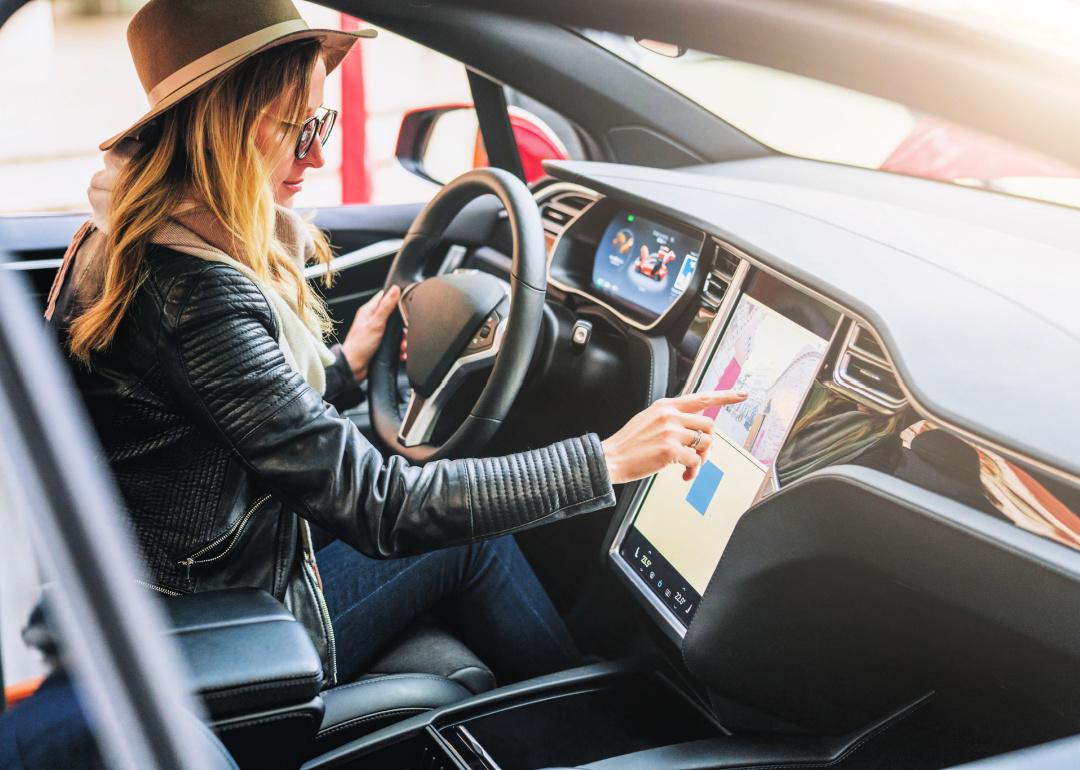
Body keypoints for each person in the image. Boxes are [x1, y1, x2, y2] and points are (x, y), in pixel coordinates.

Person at [46, 0, 744, 688]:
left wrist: (346, 370)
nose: (317, 153)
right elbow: (383, 508)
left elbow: (229, 420)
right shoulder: (194, 295)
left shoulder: (119, 236)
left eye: (323, 121)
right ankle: (594, 731)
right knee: (473, 542)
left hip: (170, 582)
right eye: (297, 128)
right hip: (225, 627)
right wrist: (608, 459)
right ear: (224, 130)